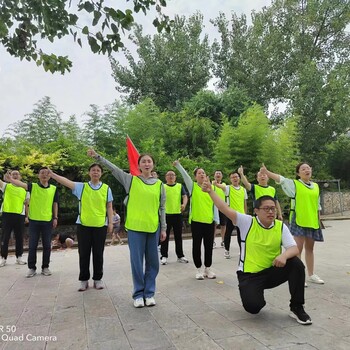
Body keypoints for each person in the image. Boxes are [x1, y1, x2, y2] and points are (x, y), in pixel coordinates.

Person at [201, 177, 312, 325]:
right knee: (254, 307)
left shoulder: (280, 226)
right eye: (266, 209)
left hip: (272, 270)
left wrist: (284, 256)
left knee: (296, 264)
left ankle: (297, 307)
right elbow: (224, 208)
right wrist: (210, 191)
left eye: (272, 208)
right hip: (250, 275)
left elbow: (293, 248)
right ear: (256, 211)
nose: (271, 212)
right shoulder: (247, 222)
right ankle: (253, 293)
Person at [88, 148, 166, 308]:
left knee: (153, 263)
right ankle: (138, 294)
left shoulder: (159, 184)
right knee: (137, 262)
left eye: (149, 161)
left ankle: (149, 293)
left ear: (153, 165)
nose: (146, 163)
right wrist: (98, 156)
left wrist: (163, 228)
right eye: (143, 161)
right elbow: (113, 168)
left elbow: (162, 208)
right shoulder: (131, 180)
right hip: (135, 228)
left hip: (153, 227)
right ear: (138, 165)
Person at [48, 164, 113, 291]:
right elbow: (67, 182)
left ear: (101, 173)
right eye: (93, 170)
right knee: (83, 253)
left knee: (98, 254)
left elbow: (109, 206)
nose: (95, 172)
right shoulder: (82, 187)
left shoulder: (106, 188)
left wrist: (110, 222)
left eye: (98, 171)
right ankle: (83, 280)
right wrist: (53, 175)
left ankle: (97, 279)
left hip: (100, 225)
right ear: (89, 173)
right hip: (84, 225)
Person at [260, 163, 324, 286]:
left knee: (310, 249)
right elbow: (281, 179)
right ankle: (300, 275)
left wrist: (319, 221)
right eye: (303, 169)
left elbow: (317, 205)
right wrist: (267, 172)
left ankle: (311, 274)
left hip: (312, 221)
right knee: (297, 250)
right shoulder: (295, 184)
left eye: (308, 168)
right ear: (298, 173)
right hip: (298, 219)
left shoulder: (316, 186)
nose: (306, 170)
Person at [7, 167, 58, 277]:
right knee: (32, 245)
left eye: (46, 173)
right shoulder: (32, 186)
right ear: (38, 176)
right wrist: (11, 179)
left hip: (47, 221)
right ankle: (32, 268)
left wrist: (55, 218)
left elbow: (55, 203)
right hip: (34, 221)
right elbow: (21, 184)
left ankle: (45, 267)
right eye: (42, 173)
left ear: (50, 176)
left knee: (47, 246)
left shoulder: (53, 188)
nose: (44, 175)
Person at [174, 160, 218, 280]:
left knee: (209, 246)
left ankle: (207, 268)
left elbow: (217, 203)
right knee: (197, 245)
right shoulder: (192, 186)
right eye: (199, 173)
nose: (202, 175)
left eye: (203, 173)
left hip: (209, 221)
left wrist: (216, 219)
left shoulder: (211, 188)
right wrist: (178, 165)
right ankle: (198, 269)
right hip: (196, 222)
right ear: (195, 176)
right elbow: (185, 176)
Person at [0, 170, 28, 267]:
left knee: (19, 237)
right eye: (13, 174)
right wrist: (5, 177)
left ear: (20, 177)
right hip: (7, 215)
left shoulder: (25, 189)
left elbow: (27, 204)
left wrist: (27, 217)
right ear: (9, 176)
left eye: (17, 174)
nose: (15, 175)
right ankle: (3, 258)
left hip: (20, 215)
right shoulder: (6, 186)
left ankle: (19, 257)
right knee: (5, 237)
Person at [160, 170, 188, 265]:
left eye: (172, 175)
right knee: (164, 236)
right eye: (169, 175)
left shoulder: (180, 186)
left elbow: (185, 196)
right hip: (166, 215)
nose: (171, 176)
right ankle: (164, 256)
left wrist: (184, 204)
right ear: (165, 177)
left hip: (177, 214)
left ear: (175, 177)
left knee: (178, 236)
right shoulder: (162, 186)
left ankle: (180, 256)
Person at [223, 171, 248, 258]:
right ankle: (226, 250)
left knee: (241, 234)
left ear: (239, 178)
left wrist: (245, 213)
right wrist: (215, 182)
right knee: (228, 233)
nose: (235, 178)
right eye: (233, 177)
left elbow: (245, 203)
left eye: (236, 177)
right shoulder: (228, 188)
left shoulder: (243, 189)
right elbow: (220, 186)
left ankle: (242, 250)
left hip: (241, 215)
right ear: (230, 179)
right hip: (231, 214)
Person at [212, 170, 227, 249]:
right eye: (216, 173)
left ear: (222, 176)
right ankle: (212, 241)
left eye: (219, 173)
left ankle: (223, 240)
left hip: (222, 207)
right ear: (214, 176)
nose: (218, 174)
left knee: (223, 224)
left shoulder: (224, 185)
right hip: (214, 207)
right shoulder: (211, 184)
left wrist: (216, 184)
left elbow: (224, 189)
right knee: (214, 224)